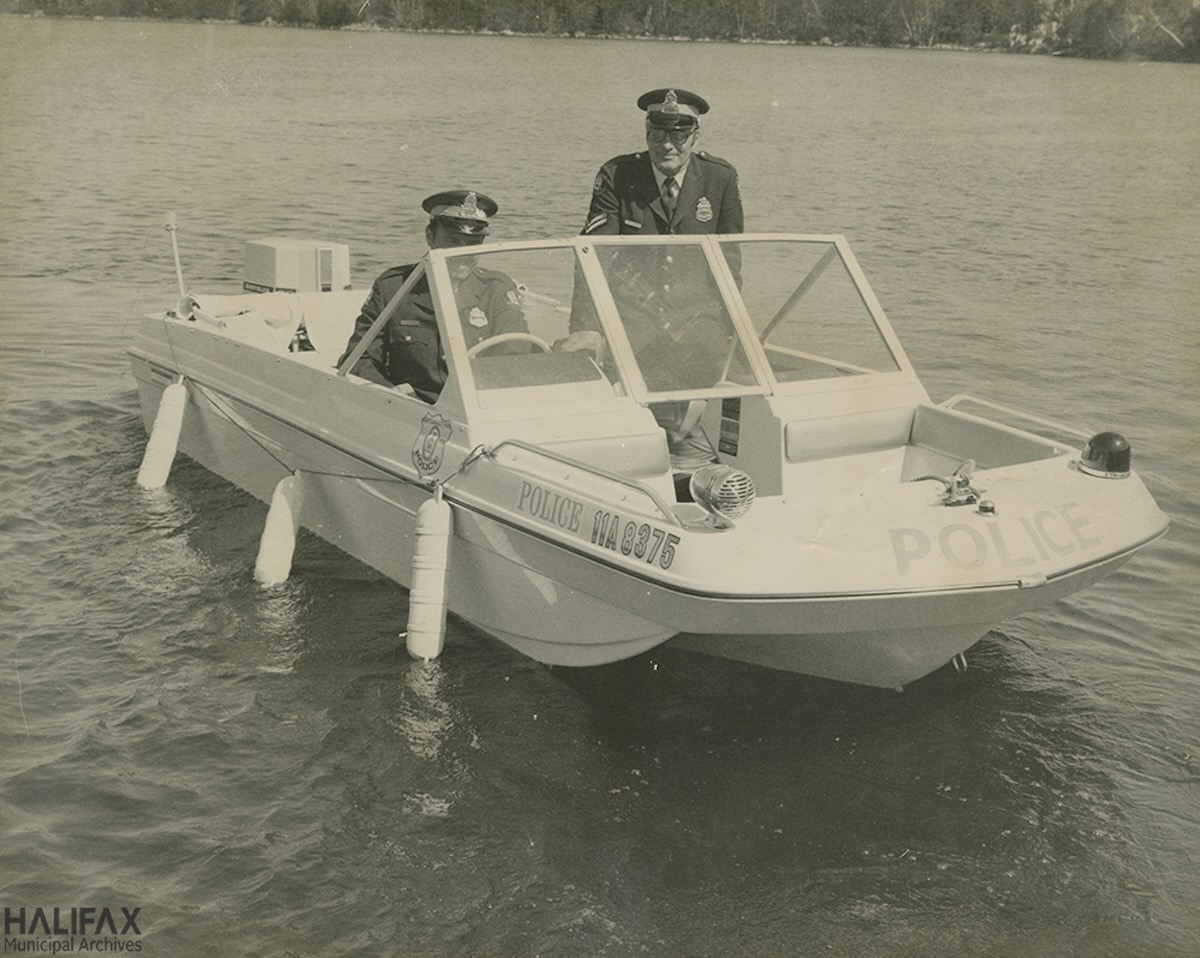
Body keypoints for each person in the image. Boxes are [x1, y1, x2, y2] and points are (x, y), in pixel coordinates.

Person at [338, 190, 527, 402]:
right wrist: (389, 391)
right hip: (411, 408)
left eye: (472, 244)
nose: (462, 254)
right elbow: (358, 359)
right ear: (430, 237)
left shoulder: (496, 289)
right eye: (452, 242)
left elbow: (516, 358)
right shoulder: (394, 287)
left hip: (476, 406)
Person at [581, 87, 743, 237]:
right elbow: (596, 248)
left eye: (678, 137)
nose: (666, 145)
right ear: (647, 134)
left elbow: (729, 255)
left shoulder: (720, 178)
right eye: (657, 135)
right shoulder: (616, 176)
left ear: (695, 137)